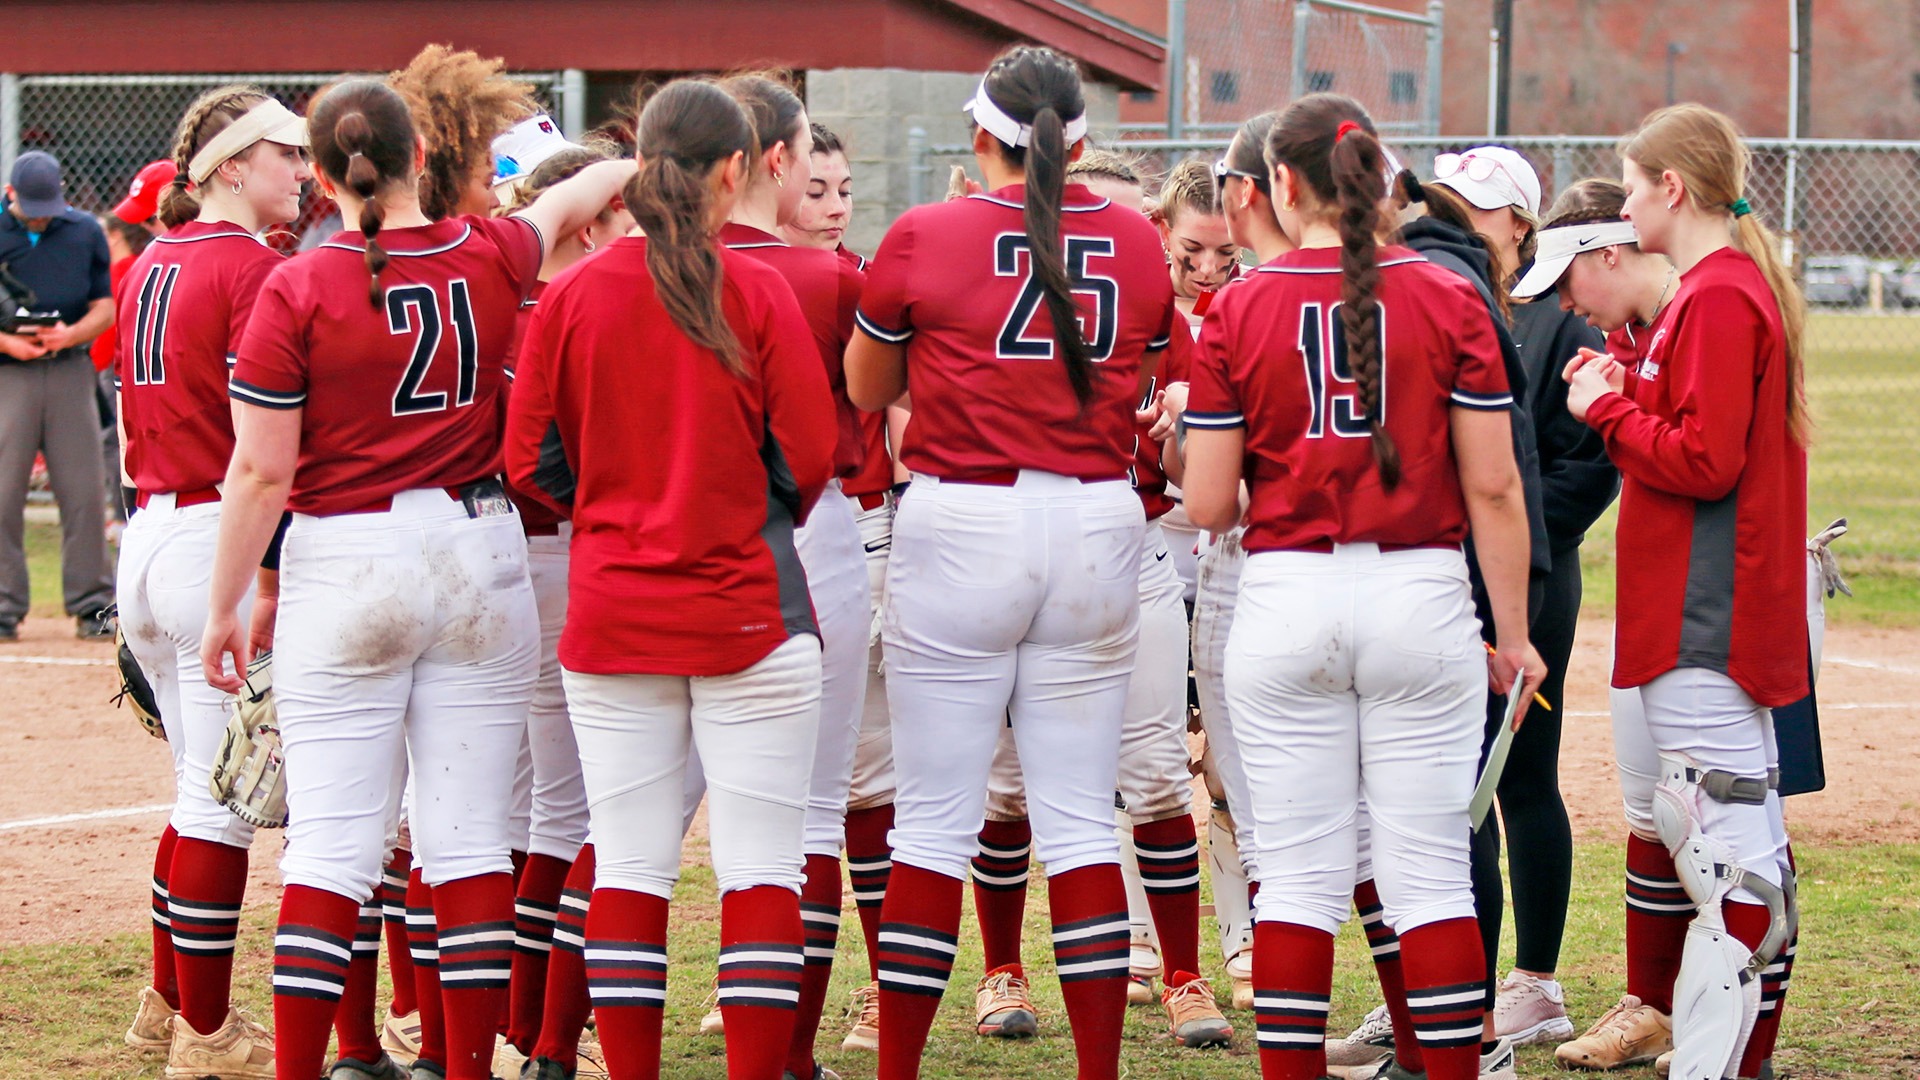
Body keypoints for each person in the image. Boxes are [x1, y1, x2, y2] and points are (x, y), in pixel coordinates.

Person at [198, 77, 632, 1080]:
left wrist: (228, 601)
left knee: (332, 853)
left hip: (347, 558)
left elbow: (262, 470)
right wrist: (658, 159)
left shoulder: (298, 285)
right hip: (477, 549)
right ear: (423, 159)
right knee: (470, 842)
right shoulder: (487, 250)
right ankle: (468, 1068)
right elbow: (576, 194)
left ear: (317, 171)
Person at [1179, 93, 1546, 1080]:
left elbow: (1210, 505)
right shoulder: (1447, 293)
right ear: (1385, 185)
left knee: (1294, 879)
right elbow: (1496, 485)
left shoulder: (1240, 306)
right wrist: (1512, 630)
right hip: (1420, 591)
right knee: (1428, 877)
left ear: (1281, 185)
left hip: (1288, 590)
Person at [844, 44, 1177, 1080]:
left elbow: (865, 386)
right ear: (1080, 141)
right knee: (1080, 821)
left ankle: (897, 1064)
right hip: (1095, 518)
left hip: (967, 518)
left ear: (979, 131)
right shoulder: (1133, 238)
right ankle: (1098, 1070)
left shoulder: (926, 230)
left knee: (934, 821)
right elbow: (1154, 364)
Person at [505, 78, 837, 1080]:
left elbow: (528, 461)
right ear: (738, 171)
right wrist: (739, 509)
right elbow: (812, 455)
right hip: (750, 611)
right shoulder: (762, 288)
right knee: (763, 869)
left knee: (632, 865)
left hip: (615, 613)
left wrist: (611, 507)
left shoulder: (576, 292)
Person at [1554, 104, 1809, 1080]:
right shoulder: (1711, 293)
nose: (1622, 206)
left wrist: (1610, 406)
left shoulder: (1719, 295)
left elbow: (1705, 461)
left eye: (1630, 185)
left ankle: (1722, 1059)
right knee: (1740, 853)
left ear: (1674, 189)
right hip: (1697, 607)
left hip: (1711, 612)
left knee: (1737, 859)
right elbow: (1697, 427)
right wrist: (1627, 383)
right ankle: (1730, 1057)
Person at [671, 72, 872, 1080]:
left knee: (621, 828)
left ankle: (549, 1041)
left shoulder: (632, 267)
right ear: (774, 163)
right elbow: (862, 417)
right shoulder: (825, 277)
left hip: (645, 542)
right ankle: (788, 1058)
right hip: (802, 533)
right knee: (807, 813)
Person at [114, 85, 310, 1080]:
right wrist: (264, 571)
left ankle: (165, 1007)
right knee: (219, 805)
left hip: (150, 528)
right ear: (232, 165)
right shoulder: (251, 267)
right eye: (283, 155)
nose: (301, 172)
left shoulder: (155, 255)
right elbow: (258, 442)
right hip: (210, 534)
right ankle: (208, 1034)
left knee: (198, 791)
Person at [1432, 150, 1619, 1052]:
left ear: (1520, 224)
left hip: (1529, 584)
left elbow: (1588, 466)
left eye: (1478, 208)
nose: (1459, 220)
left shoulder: (1560, 319)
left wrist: (1506, 538)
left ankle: (1527, 987)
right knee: (1452, 787)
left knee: (1515, 782)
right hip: (1447, 576)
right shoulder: (1451, 299)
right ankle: (1454, 993)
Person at [492, 138, 631, 1080]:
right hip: (562, 554)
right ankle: (543, 1034)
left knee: (512, 812)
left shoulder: (508, 293)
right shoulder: (579, 299)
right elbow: (543, 458)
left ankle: (512, 1026)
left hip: (502, 553)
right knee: (574, 816)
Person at [777, 118, 901, 1056]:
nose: (833, 207)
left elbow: (894, 406)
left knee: (860, 782)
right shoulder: (822, 281)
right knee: (815, 794)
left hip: (850, 526)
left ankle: (864, 987)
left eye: (845, 189)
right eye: (814, 188)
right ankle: (773, 982)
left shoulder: (850, 274)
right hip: (817, 534)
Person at [0, 149, 117, 640]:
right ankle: (4, 605)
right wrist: (9, 342)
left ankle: (92, 602)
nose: (42, 214)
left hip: (70, 368)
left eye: (49, 205)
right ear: (10, 195)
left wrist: (68, 335)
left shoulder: (84, 231)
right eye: (31, 205)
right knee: (3, 492)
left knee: (83, 490)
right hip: (8, 372)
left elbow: (104, 306)